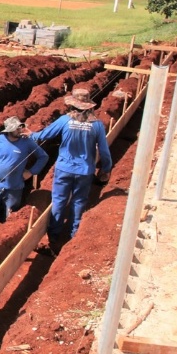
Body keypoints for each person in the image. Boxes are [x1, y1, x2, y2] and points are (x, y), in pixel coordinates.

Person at [30, 89, 112, 241]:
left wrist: (31, 135)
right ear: (88, 106)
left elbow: (44, 135)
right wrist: (106, 168)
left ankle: (54, 236)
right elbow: (104, 150)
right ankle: (74, 235)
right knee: (79, 201)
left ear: (73, 105)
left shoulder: (64, 121)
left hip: (64, 169)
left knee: (59, 201)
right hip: (85, 170)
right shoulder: (97, 125)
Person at [0, 116, 49, 231]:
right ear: (9, 131)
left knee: (10, 218)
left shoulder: (27, 142)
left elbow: (43, 156)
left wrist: (31, 172)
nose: (20, 130)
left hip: (14, 189)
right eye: (16, 129)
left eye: (20, 128)